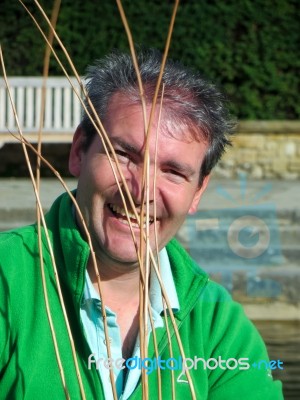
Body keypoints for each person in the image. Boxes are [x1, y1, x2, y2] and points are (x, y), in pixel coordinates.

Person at [0, 49, 283, 399]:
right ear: (79, 152)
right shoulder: (6, 282)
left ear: (198, 192)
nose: (142, 191)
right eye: (124, 155)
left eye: (174, 171)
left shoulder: (219, 329)